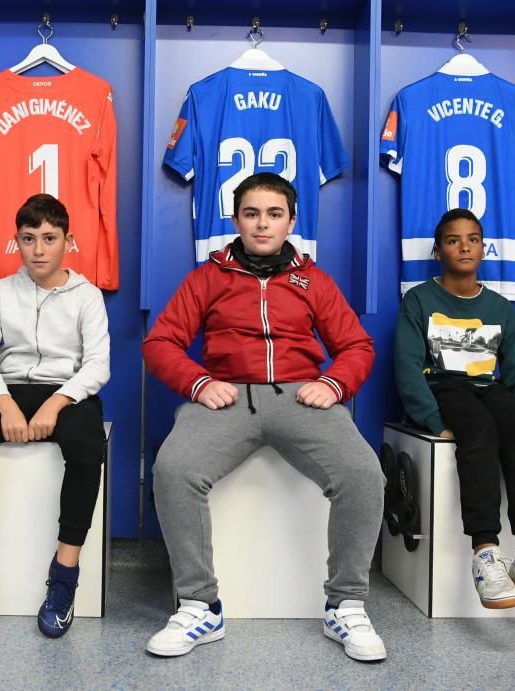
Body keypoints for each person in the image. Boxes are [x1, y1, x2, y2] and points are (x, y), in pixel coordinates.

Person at [143, 173, 387, 662]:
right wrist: (200, 383)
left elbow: (357, 346)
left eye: (274, 214)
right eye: (251, 213)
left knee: (364, 474)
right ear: (235, 219)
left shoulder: (312, 280)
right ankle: (200, 604)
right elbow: (160, 342)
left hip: (301, 397)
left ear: (291, 221)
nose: (262, 224)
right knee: (174, 470)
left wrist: (333, 385)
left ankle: (346, 603)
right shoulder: (207, 277)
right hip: (226, 396)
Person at [0, 193, 109, 639]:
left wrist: (56, 402)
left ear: (67, 241)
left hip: (68, 395)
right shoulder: (0, 291)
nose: (38, 249)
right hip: (9, 389)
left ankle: (64, 574)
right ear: (16, 242)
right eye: (29, 239)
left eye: (49, 239)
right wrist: (4, 402)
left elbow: (97, 365)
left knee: (89, 447)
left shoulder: (87, 296)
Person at [394, 207, 515, 620]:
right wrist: (433, 421)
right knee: (477, 431)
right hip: (445, 387)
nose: (464, 246)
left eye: (472, 239)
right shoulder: (419, 299)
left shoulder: (497, 306)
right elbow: (406, 366)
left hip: (488, 389)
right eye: (453, 240)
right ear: (438, 251)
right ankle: (486, 553)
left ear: (483, 247)